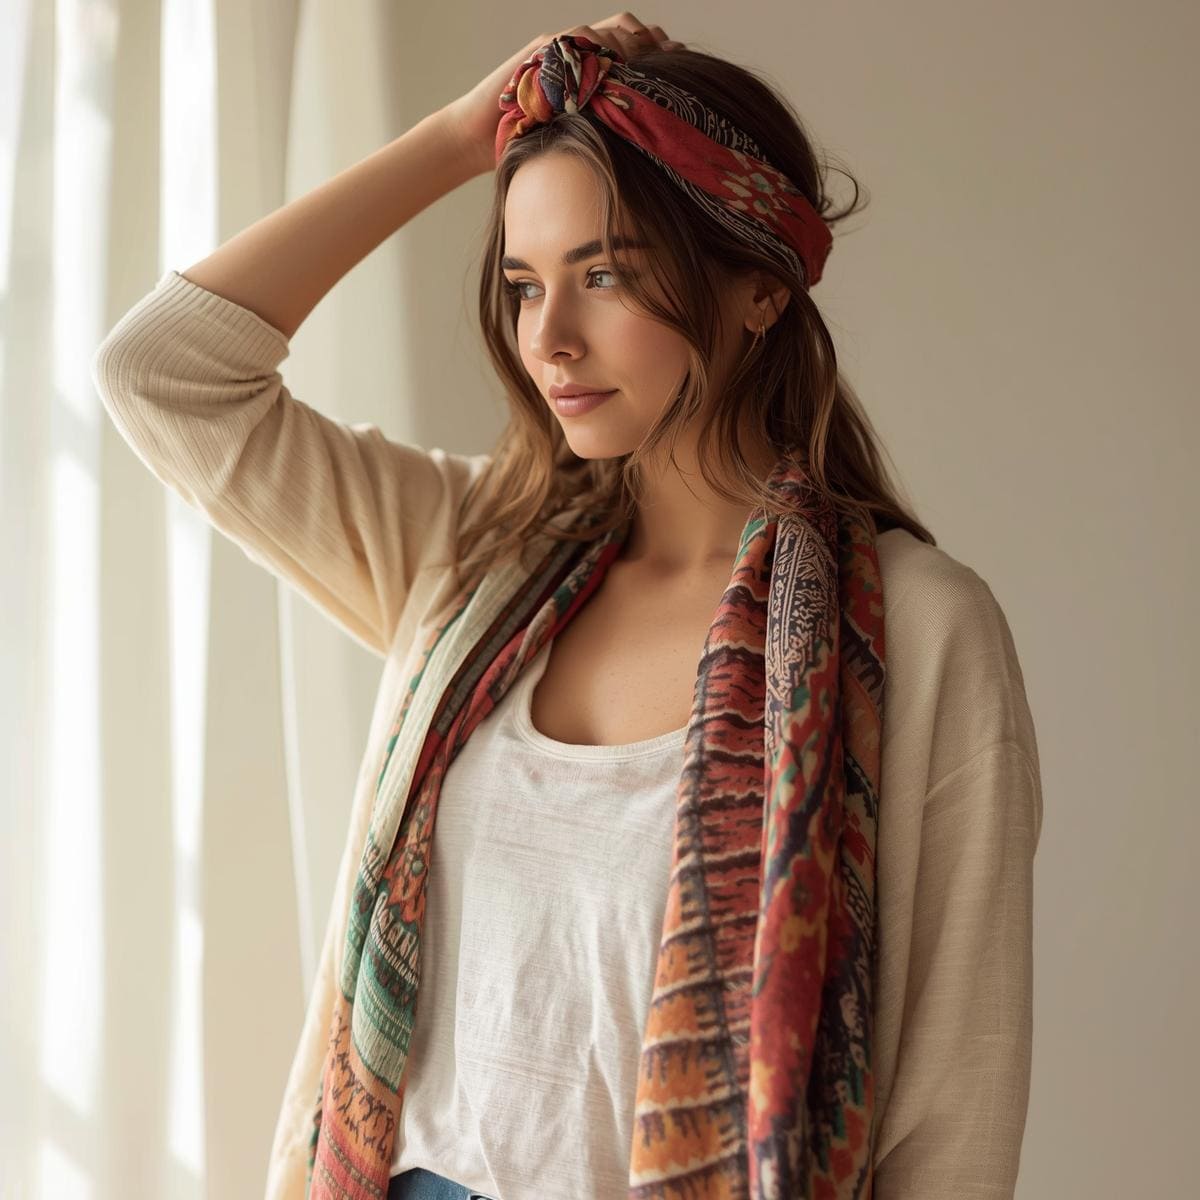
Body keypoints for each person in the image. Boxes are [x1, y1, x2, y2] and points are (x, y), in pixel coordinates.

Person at [90, 13, 1043, 1200]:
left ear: (759, 289)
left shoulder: (919, 631)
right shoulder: (472, 558)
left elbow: (954, 1109)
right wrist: (460, 138)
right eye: (524, 282)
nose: (549, 338)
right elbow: (163, 373)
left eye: (604, 275)